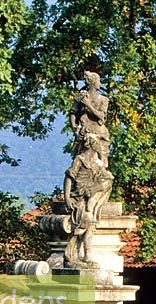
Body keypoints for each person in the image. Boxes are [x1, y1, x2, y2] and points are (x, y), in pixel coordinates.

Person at [63, 133, 113, 268]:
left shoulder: (98, 163)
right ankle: (70, 254)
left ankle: (87, 256)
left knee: (90, 225)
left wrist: (103, 181)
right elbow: (69, 177)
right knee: (82, 226)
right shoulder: (80, 159)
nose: (99, 146)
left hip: (89, 196)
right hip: (79, 197)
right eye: (97, 143)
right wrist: (67, 197)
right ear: (91, 144)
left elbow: (108, 177)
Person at [69, 71, 110, 161]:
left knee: (100, 160)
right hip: (83, 131)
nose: (99, 83)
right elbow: (72, 112)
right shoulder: (81, 97)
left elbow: (101, 116)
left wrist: (88, 105)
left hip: (99, 132)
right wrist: (74, 128)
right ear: (93, 82)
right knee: (81, 157)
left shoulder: (103, 100)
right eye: (98, 81)